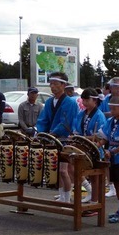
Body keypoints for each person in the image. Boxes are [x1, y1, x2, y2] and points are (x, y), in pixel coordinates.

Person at [36, 72, 79, 202]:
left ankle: (67, 198)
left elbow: (66, 122)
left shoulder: (70, 102)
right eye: (51, 84)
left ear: (63, 85)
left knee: (63, 171)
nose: (52, 86)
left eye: (55, 84)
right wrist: (40, 132)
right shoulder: (49, 101)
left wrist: (53, 133)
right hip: (52, 138)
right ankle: (62, 195)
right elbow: (43, 119)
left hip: (65, 139)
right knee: (58, 170)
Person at [96, 95, 119, 223]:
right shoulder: (110, 121)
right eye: (110, 109)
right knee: (116, 184)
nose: (111, 112)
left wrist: (112, 151)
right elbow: (105, 137)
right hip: (111, 155)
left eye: (113, 109)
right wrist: (98, 144)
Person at [72, 88, 106, 211]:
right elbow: (76, 129)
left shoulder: (99, 115)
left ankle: (94, 200)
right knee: (80, 172)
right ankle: (90, 194)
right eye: (84, 100)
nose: (85, 103)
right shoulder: (81, 113)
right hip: (83, 148)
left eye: (87, 100)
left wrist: (83, 137)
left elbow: (100, 136)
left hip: (95, 149)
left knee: (94, 176)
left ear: (95, 100)